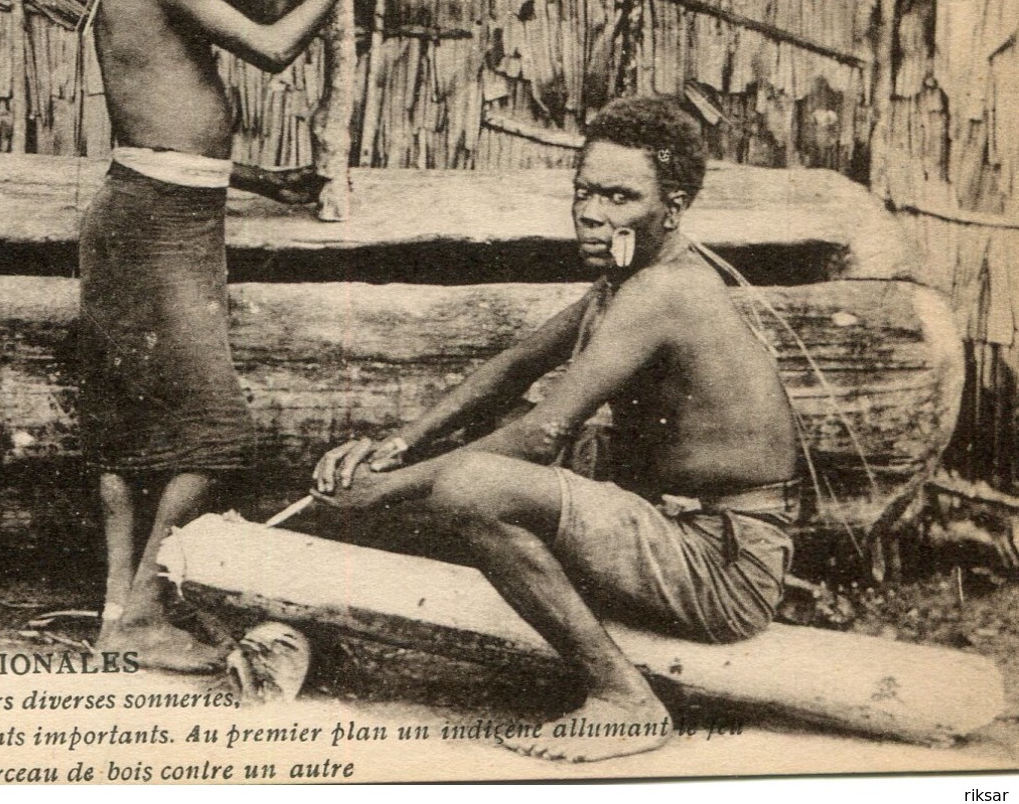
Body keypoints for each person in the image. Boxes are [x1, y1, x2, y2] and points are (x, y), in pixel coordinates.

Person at [311, 96, 799, 762]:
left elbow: (544, 435)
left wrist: (386, 487)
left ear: (673, 207)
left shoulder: (667, 289)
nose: (592, 212)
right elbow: (512, 367)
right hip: (679, 532)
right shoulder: (627, 279)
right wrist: (397, 446)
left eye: (620, 196)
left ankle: (621, 699)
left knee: (473, 486)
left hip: (722, 568)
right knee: (490, 436)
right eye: (584, 191)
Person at [77, 0, 360, 671]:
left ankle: (115, 617)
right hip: (160, 225)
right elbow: (273, 50)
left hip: (142, 208)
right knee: (218, 436)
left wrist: (261, 181)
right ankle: (146, 612)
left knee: (128, 433)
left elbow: (157, 132)